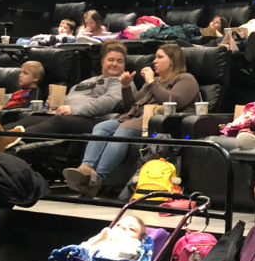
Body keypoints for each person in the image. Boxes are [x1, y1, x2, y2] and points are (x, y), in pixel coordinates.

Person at [61, 44, 200, 196]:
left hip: (159, 121)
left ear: (173, 61)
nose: (154, 61)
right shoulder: (156, 81)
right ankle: (85, 168)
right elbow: (131, 106)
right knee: (102, 127)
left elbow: (174, 101)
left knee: (123, 129)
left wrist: (151, 82)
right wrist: (126, 87)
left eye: (160, 57)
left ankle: (98, 180)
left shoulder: (186, 79)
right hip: (134, 117)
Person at [0, 41, 135, 143]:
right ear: (102, 62)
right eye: (111, 60)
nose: (115, 64)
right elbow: (71, 97)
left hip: (93, 120)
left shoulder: (121, 81)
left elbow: (107, 102)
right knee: (36, 116)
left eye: (120, 61)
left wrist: (72, 109)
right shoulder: (88, 81)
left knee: (58, 120)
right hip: (68, 114)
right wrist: (57, 103)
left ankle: (6, 139)